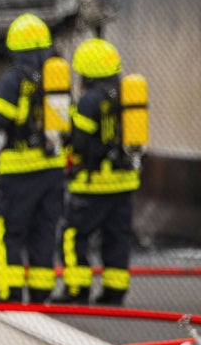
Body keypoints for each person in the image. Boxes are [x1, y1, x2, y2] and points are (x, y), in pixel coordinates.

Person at [0, 13, 66, 304]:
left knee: (9, 232)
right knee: (43, 231)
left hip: (18, 170)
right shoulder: (56, 77)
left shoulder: (14, 78)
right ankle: (41, 293)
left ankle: (9, 292)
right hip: (52, 168)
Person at [55, 38, 140, 306]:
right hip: (124, 182)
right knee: (116, 237)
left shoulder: (90, 101)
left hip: (93, 184)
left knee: (73, 235)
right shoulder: (127, 94)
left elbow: (79, 142)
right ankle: (115, 292)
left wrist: (65, 137)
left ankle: (77, 289)